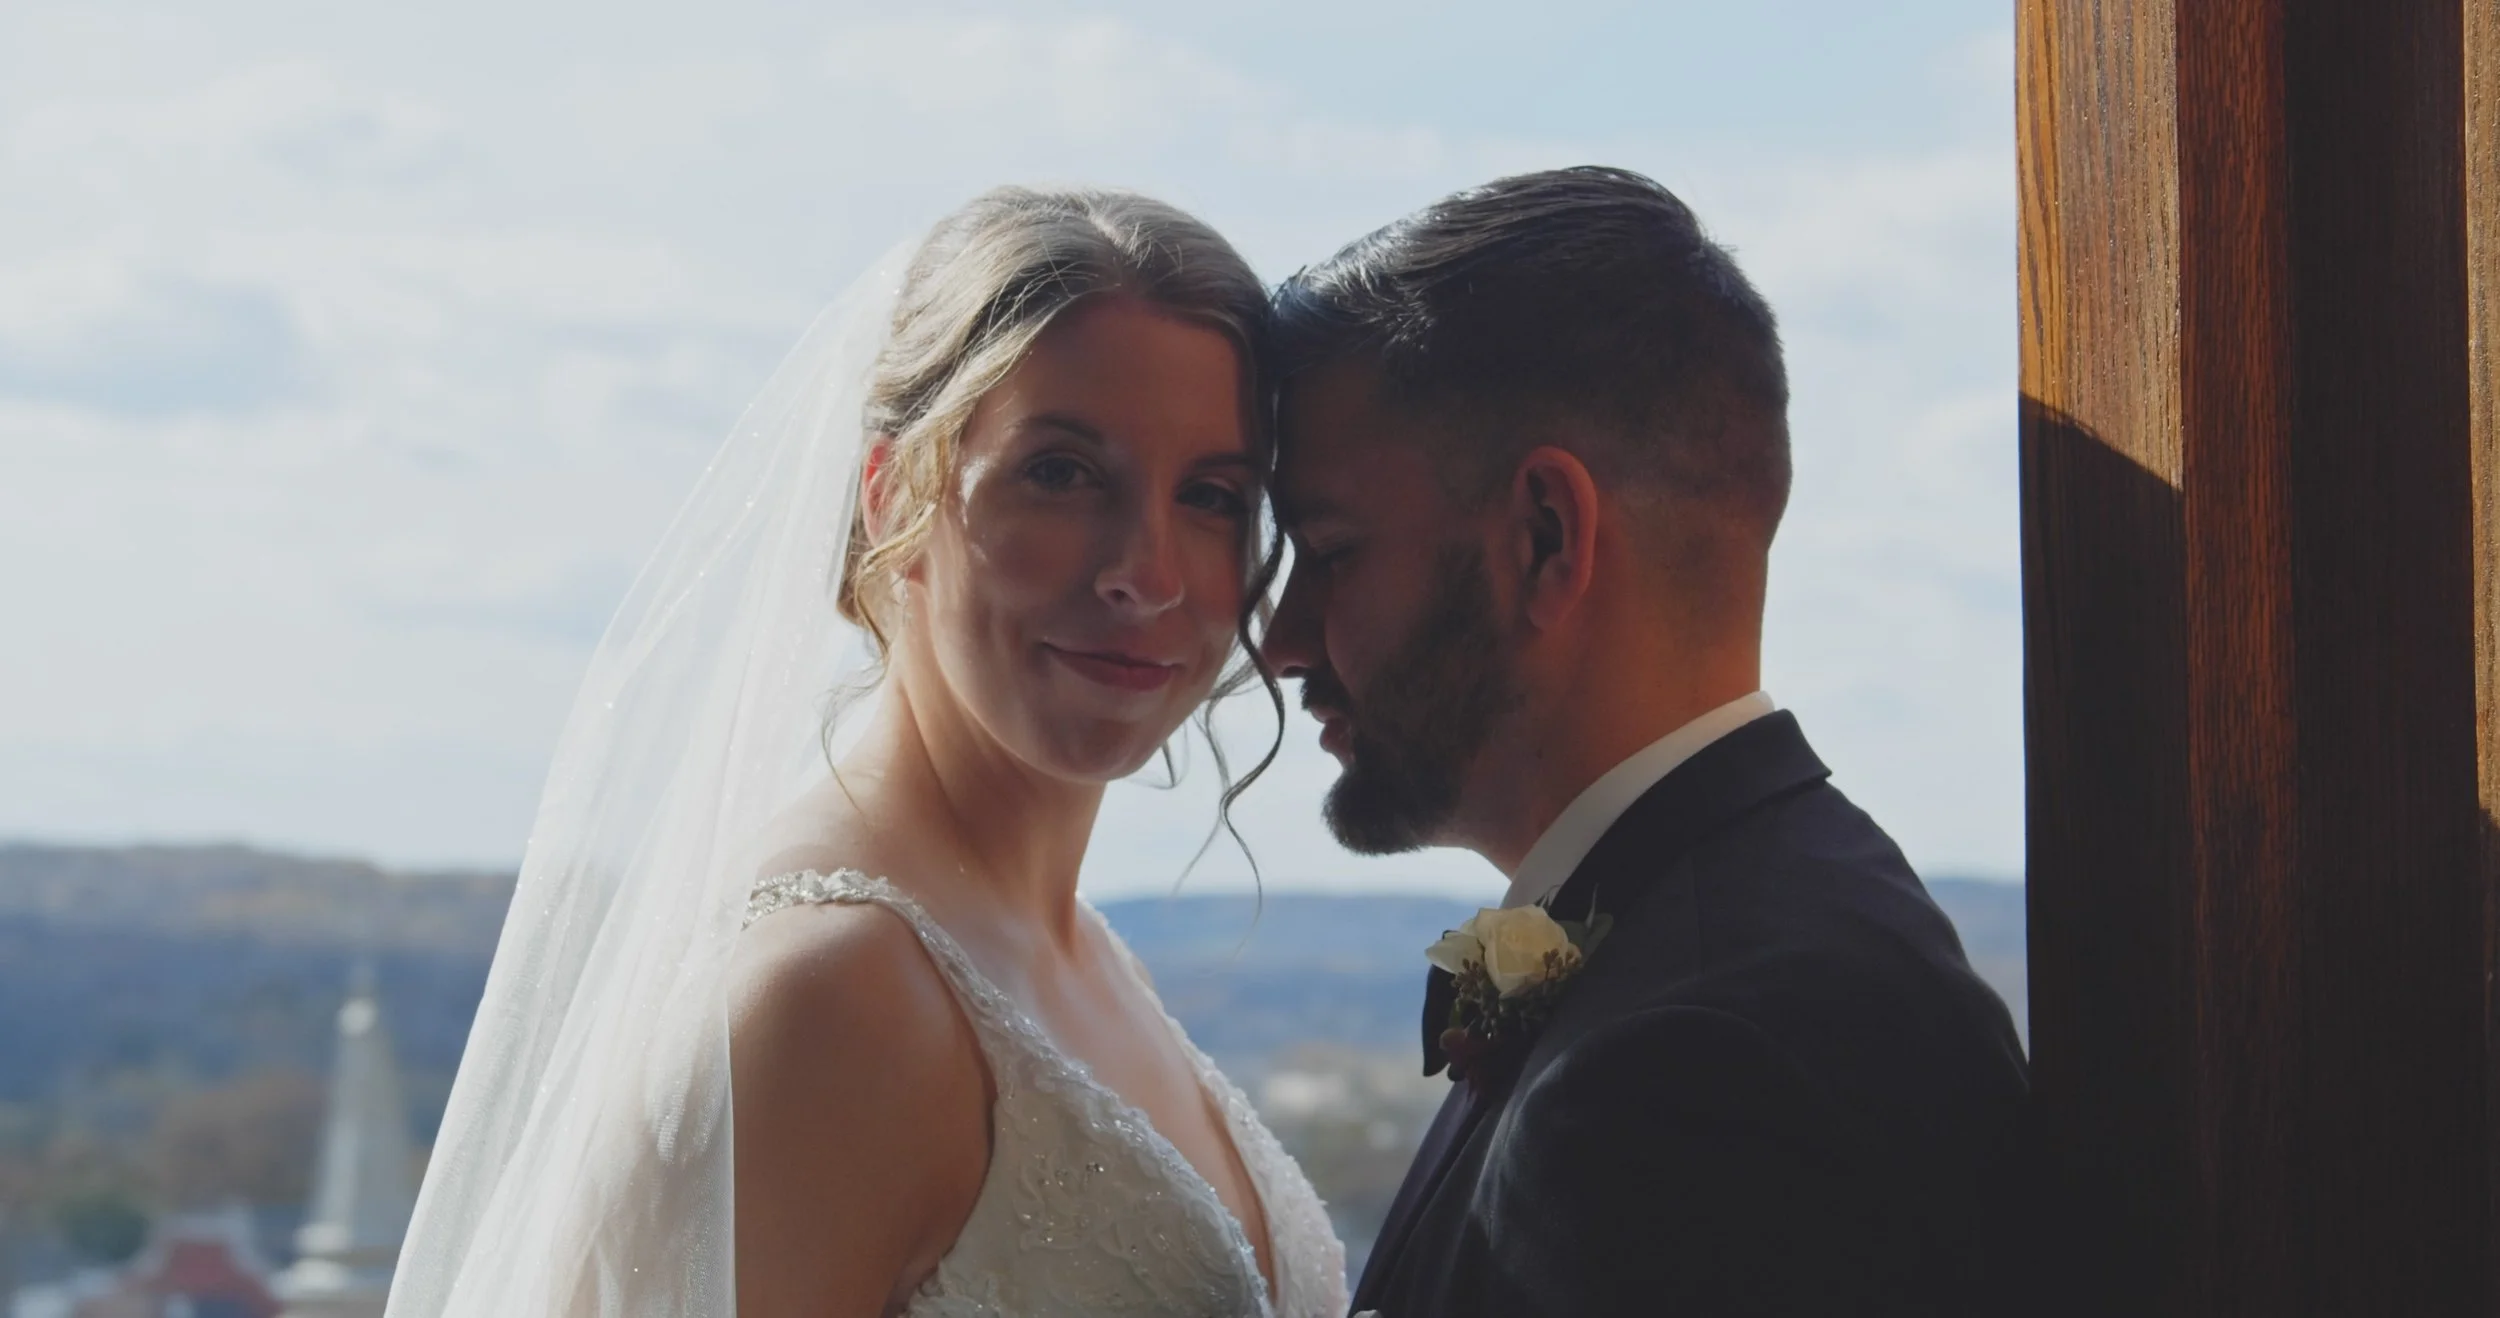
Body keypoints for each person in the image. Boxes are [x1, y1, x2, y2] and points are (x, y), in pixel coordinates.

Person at [386, 188, 1347, 1318]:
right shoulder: (833, 993)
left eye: (1210, 496)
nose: (1147, 571)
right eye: (1061, 472)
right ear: (897, 490)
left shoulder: (1071, 949)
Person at [1263, 166, 2029, 1317]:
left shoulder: (1686, 1080)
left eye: (1329, 552)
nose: (1280, 639)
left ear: (1543, 536)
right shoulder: (1769, 919)